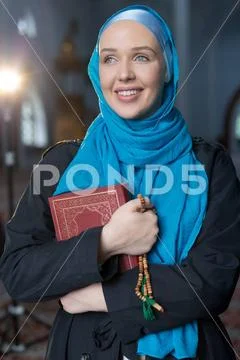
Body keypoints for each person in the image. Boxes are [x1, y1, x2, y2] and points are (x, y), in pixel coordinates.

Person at [0, 4, 240, 360]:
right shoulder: (62, 164)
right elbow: (18, 272)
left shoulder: (208, 166)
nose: (123, 74)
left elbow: (212, 282)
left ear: (168, 67)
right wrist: (105, 243)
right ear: (98, 71)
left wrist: (97, 297)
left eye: (141, 57)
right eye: (110, 59)